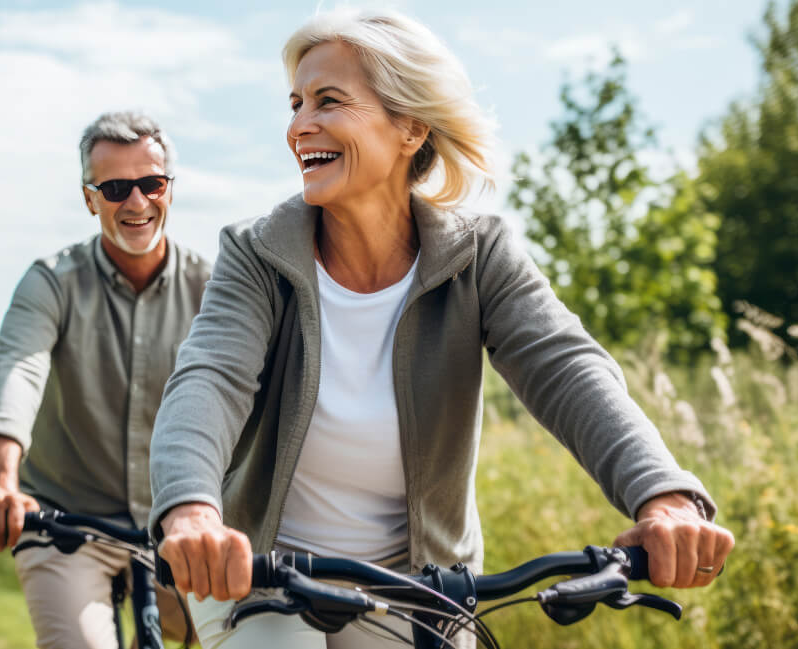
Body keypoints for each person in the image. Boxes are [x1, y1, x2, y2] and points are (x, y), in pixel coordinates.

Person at [148, 10, 735, 649]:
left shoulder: (479, 258)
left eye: (328, 101)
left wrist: (663, 495)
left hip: (419, 584)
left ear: (411, 126)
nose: (298, 126)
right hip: (260, 573)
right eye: (295, 104)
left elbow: (568, 370)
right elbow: (210, 377)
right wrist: (192, 511)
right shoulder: (259, 253)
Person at [0, 110, 212, 649]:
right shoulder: (51, 281)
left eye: (151, 184)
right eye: (116, 187)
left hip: (179, 523)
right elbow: (18, 369)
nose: (137, 203)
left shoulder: (211, 286)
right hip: (65, 522)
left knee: (247, 634)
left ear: (169, 188)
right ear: (89, 198)